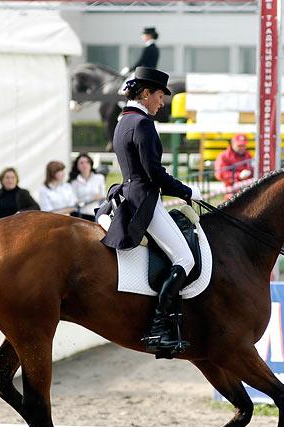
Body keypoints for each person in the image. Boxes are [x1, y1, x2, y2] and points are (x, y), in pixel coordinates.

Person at [101, 67, 202, 356]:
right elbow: (154, 174)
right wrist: (186, 191)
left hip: (130, 192)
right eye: (160, 96)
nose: (162, 103)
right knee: (184, 258)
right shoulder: (142, 124)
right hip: (144, 199)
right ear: (145, 94)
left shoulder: (124, 120)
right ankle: (159, 327)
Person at [69, 154, 106, 220]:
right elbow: (74, 202)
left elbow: (103, 196)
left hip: (96, 214)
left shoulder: (99, 178)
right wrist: (91, 198)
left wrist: (83, 201)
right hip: (80, 215)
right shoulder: (74, 182)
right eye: (81, 163)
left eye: (87, 162)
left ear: (91, 164)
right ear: (77, 166)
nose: (84, 165)